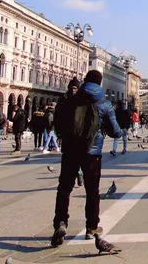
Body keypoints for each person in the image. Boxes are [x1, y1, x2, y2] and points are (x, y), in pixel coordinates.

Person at [50, 70, 122, 247]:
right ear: (100, 83)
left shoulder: (71, 100)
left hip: (70, 151)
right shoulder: (104, 103)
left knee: (64, 189)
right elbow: (115, 132)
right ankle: (91, 227)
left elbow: (57, 123)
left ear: (85, 82)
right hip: (92, 153)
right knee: (92, 191)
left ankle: (61, 223)